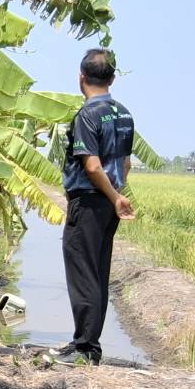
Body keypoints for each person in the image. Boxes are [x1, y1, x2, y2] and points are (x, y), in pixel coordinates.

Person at [57, 48, 136, 366]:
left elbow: (91, 166)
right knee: (98, 271)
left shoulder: (87, 116)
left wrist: (113, 197)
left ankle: (85, 347)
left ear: (81, 78)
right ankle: (88, 343)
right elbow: (125, 163)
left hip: (89, 201)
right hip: (108, 202)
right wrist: (115, 195)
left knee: (83, 271)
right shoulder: (124, 113)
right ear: (113, 78)